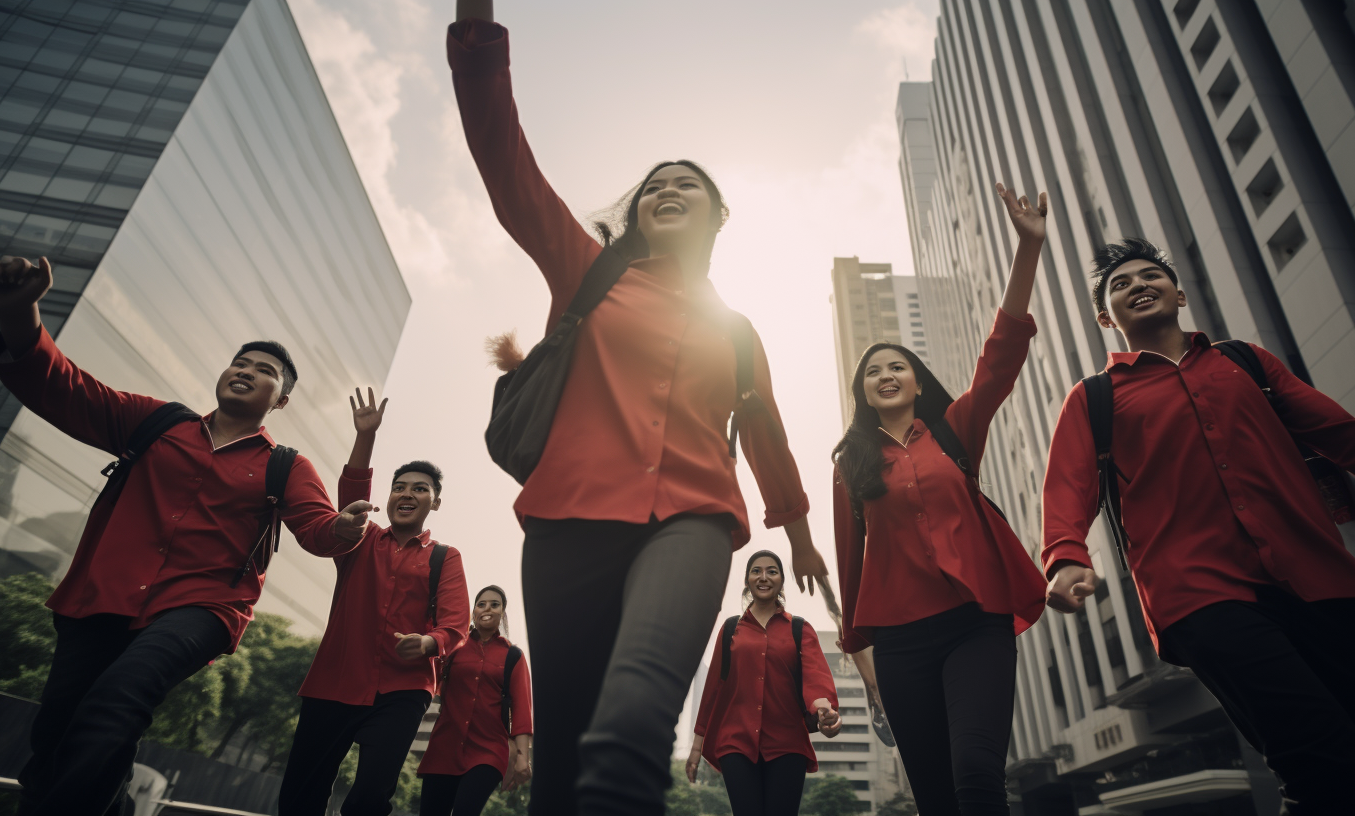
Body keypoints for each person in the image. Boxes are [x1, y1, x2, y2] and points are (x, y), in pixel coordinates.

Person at [446, 3, 827, 814]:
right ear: (637, 212)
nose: (668, 190)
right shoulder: (587, 270)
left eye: (687, 184)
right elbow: (505, 162)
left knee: (629, 728)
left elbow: (767, 439)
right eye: (655, 185)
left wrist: (800, 538)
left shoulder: (739, 330)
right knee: (564, 756)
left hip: (691, 517)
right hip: (568, 520)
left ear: (718, 216)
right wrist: (475, 23)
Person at [1040, 238, 1355, 814]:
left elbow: (1349, 437)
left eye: (1152, 275)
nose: (1138, 285)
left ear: (1178, 293)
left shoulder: (1245, 362)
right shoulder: (1094, 398)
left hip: (1314, 577)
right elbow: (1068, 484)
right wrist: (1067, 554)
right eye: (1120, 285)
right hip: (1198, 592)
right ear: (1105, 317)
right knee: (1318, 755)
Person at [0, 255, 372, 816]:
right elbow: (66, 389)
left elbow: (319, 532)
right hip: (102, 596)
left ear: (280, 400)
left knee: (118, 702)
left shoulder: (285, 466)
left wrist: (347, 526)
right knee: (60, 732)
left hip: (201, 607)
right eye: (241, 361)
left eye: (265, 371)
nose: (247, 370)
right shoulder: (156, 423)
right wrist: (19, 312)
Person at [830, 185, 1049, 816]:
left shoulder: (955, 428)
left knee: (976, 775)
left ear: (916, 380)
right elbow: (851, 567)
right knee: (933, 794)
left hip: (976, 622)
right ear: (864, 393)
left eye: (896, 366)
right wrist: (862, 661)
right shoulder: (852, 465)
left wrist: (1027, 249)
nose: (885, 375)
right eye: (872, 372)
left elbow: (1001, 354)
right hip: (900, 641)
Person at [279, 390, 469, 816]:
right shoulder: (358, 540)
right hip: (334, 681)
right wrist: (365, 437)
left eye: (419, 489)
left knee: (369, 798)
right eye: (399, 487)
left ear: (434, 502)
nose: (406, 493)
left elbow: (456, 624)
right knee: (299, 795)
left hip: (401, 691)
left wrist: (427, 643)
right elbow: (350, 500)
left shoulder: (445, 557)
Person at [686, 551, 841, 816]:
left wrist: (824, 709)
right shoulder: (730, 629)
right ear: (747, 580)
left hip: (787, 742)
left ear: (781, 581)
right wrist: (696, 747)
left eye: (772, 571)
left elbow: (816, 678)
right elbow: (713, 689)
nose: (764, 577)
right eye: (756, 571)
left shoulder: (800, 629)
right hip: (736, 742)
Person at [417, 586, 533, 816]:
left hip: (488, 751)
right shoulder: (453, 649)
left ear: (502, 613)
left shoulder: (513, 656)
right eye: (481, 604)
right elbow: (429, 679)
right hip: (444, 748)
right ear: (473, 611)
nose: (487, 608)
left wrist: (523, 759)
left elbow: (522, 711)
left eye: (494, 604)